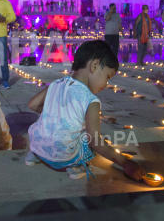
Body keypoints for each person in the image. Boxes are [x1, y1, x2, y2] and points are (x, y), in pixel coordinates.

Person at [25, 40, 146, 181]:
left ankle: (33, 156)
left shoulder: (56, 84)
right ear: (94, 65)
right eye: (107, 77)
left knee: (50, 128)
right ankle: (75, 167)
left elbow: (32, 105)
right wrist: (125, 163)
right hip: (63, 157)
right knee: (88, 137)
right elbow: (95, 141)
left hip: (37, 145)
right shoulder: (90, 100)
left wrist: (54, 115)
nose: (106, 84)